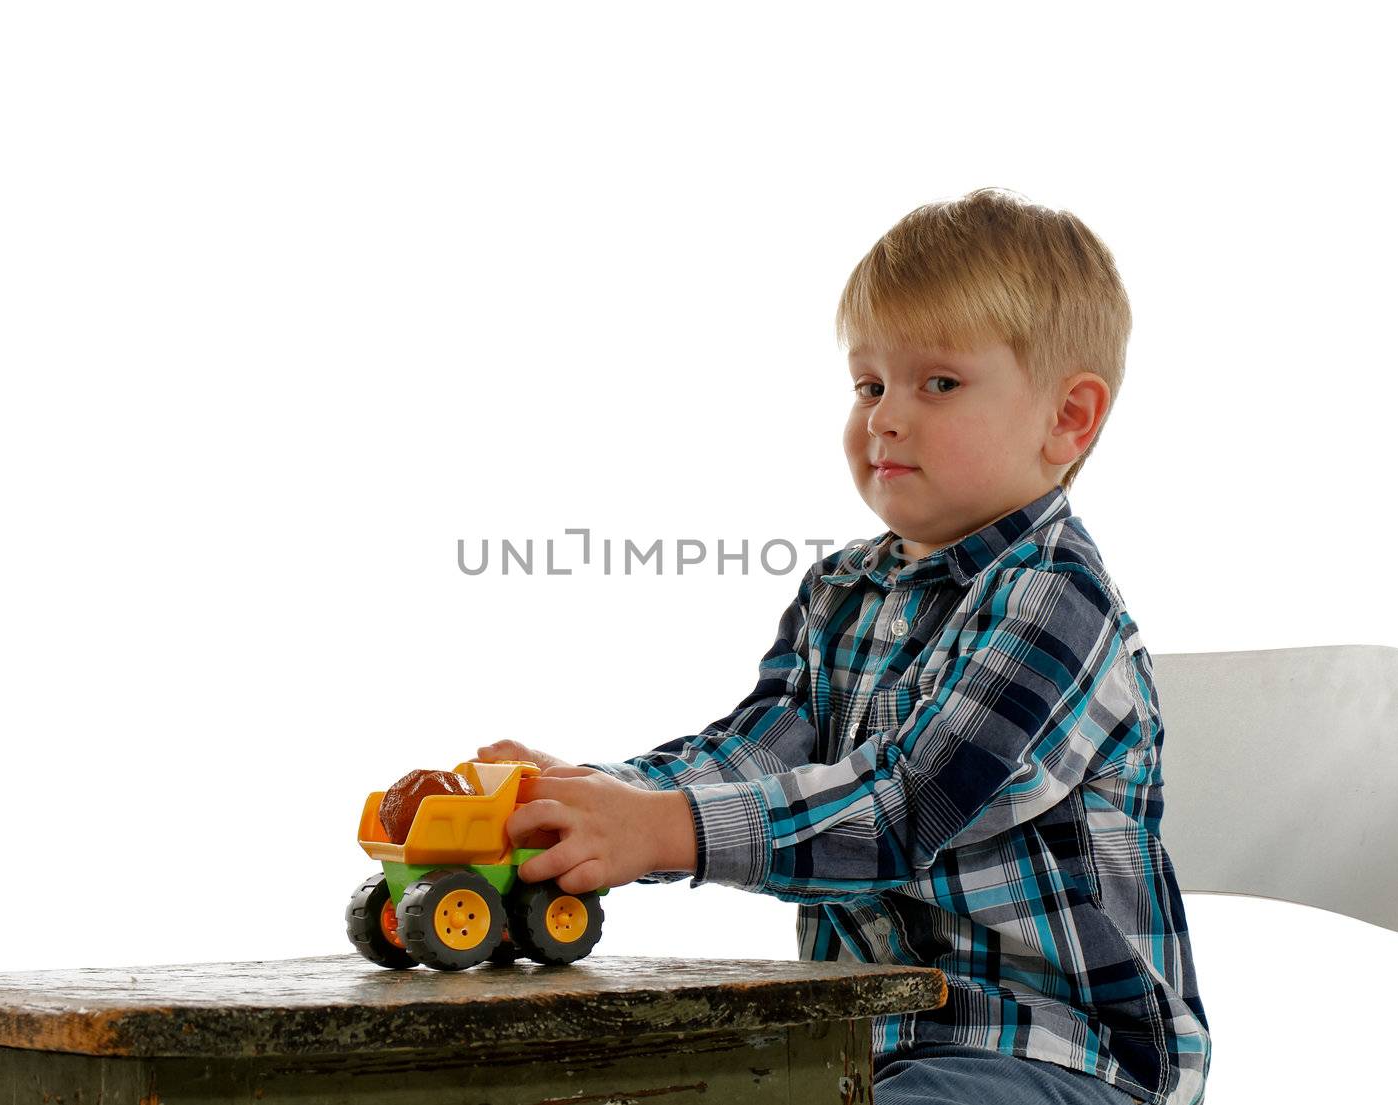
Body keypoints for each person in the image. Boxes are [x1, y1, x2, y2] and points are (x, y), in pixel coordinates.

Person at [478, 187, 1211, 1105]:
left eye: (937, 383)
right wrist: (606, 802)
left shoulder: (1053, 597)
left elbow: (909, 808)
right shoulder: (840, 592)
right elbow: (752, 752)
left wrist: (664, 831)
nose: (885, 417)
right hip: (862, 1043)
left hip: (1052, 1055)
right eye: (869, 384)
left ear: (1069, 417)